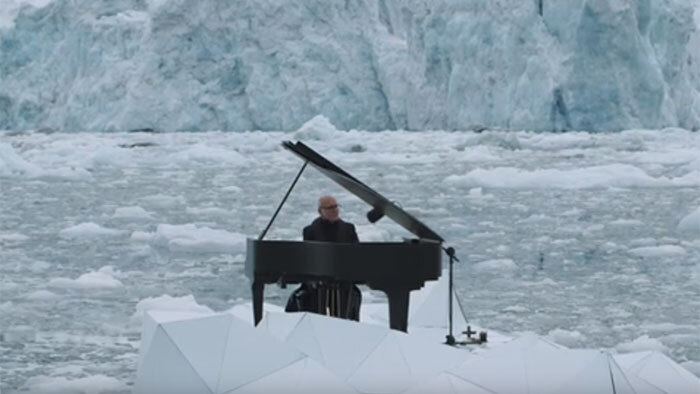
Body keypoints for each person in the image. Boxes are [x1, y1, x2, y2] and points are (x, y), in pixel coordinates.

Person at [285, 195, 362, 320]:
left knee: (349, 295)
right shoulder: (311, 230)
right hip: (318, 280)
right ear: (321, 211)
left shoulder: (348, 228)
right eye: (330, 208)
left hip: (343, 278)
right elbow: (309, 256)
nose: (335, 210)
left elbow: (356, 252)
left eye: (336, 206)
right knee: (311, 297)